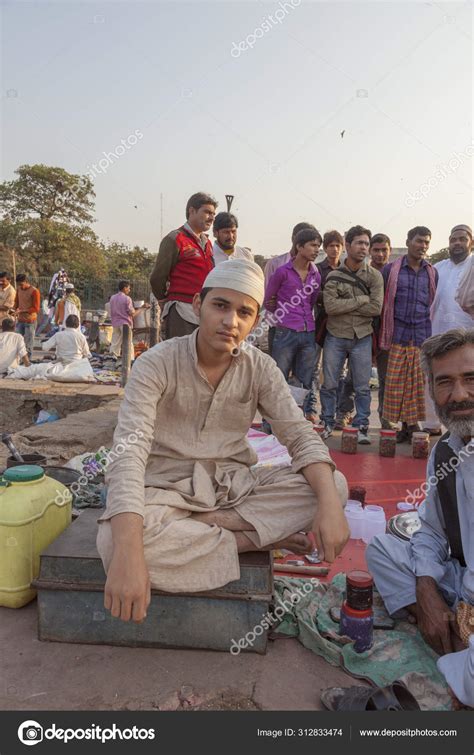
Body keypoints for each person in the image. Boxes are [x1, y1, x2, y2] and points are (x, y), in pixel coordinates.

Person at [97, 258, 349, 621]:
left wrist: (328, 503)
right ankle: (257, 539)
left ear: (256, 321)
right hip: (164, 490)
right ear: (198, 306)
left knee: (334, 487)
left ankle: (204, 528)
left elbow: (298, 434)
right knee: (116, 544)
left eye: (244, 312)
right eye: (220, 306)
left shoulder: (260, 367)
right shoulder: (155, 363)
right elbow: (129, 454)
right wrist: (129, 552)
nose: (231, 321)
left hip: (235, 489)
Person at [367, 328, 474, 707]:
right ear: (430, 390)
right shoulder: (445, 450)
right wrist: (427, 588)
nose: (458, 395)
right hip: (463, 579)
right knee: (381, 547)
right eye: (444, 382)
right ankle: (452, 640)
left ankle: (452, 648)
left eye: (470, 379)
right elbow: (429, 530)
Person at [320, 226, 384, 443]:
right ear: (347, 246)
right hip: (336, 336)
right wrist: (360, 300)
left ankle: (362, 426)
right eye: (359, 243)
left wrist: (345, 304)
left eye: (366, 243)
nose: (364, 248)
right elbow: (330, 307)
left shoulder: (375, 277)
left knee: (362, 386)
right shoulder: (334, 275)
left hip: (362, 337)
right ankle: (327, 422)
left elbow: (375, 308)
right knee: (329, 383)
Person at [380, 226, 438, 443]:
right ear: (408, 242)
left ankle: (410, 425)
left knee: (416, 384)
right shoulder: (392, 270)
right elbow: (385, 304)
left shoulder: (432, 272)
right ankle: (399, 424)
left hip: (421, 334)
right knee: (395, 383)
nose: (423, 246)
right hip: (397, 334)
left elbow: (431, 303)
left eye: (426, 242)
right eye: (419, 241)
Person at [336, 233, 394, 429]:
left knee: (386, 378)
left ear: (390, 251)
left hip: (387, 332)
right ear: (370, 251)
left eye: (383, 250)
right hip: (362, 331)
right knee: (355, 376)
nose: (379, 254)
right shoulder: (362, 273)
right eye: (375, 250)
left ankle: (385, 418)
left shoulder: (394, 274)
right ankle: (344, 412)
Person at [264, 228, 322, 421]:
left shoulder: (316, 275)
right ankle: (270, 421)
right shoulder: (282, 272)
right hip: (285, 331)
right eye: (313, 245)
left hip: (308, 332)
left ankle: (293, 420)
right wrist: (284, 316)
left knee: (303, 380)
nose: (316, 250)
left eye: (318, 246)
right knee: (278, 377)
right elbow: (268, 300)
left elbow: (312, 301)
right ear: (299, 247)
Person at [423, 225, 473, 436]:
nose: (457, 243)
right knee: (437, 381)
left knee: (466, 384)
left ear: (471, 242)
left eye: (462, 239)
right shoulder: (438, 268)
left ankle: (467, 427)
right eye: (454, 240)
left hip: (468, 340)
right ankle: (432, 424)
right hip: (437, 336)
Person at [150, 192, 217, 339]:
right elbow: (157, 278)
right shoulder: (174, 239)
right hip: (182, 311)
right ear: (191, 211)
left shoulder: (207, 243)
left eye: (213, 214)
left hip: (203, 311)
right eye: (207, 212)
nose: (212, 218)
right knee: (181, 358)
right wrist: (163, 299)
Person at [264, 222, 317, 356]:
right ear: (294, 239)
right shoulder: (275, 264)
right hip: (278, 327)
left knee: (302, 373)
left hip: (304, 330)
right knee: (277, 373)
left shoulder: (314, 270)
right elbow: (269, 298)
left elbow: (310, 301)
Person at [14, 274, 40, 359]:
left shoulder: (34, 291)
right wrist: (14, 310)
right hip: (20, 320)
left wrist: (23, 311)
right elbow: (16, 303)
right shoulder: (18, 289)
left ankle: (28, 362)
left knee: (28, 344)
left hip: (30, 321)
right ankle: (18, 360)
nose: (20, 286)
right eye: (18, 284)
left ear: (26, 281)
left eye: (21, 284)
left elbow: (36, 308)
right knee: (18, 342)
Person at [109, 280, 136, 360]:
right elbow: (132, 313)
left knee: (115, 342)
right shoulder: (127, 299)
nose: (129, 290)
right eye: (129, 288)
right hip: (125, 324)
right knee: (128, 342)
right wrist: (141, 309)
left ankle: (113, 358)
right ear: (125, 288)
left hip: (115, 323)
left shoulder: (112, 298)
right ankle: (130, 359)